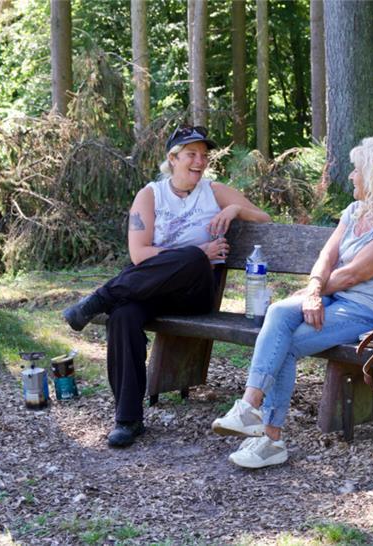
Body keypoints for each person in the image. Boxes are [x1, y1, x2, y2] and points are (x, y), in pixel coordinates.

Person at [210, 135, 373, 468]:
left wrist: (314, 293)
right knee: (280, 312)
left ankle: (269, 438)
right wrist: (313, 287)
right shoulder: (355, 211)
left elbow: (354, 274)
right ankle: (251, 410)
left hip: (367, 313)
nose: (352, 177)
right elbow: (328, 255)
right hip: (333, 297)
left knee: (287, 342)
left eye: (357, 171)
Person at [62, 125, 270, 448]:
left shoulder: (214, 191)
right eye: (191, 154)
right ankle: (128, 419)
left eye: (204, 155)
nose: (199, 161)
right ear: (173, 158)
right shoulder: (150, 195)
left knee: (193, 259)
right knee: (124, 316)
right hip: (151, 289)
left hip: (195, 291)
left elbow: (264, 217)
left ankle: (98, 300)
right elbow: (139, 254)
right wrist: (197, 252)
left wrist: (234, 209)